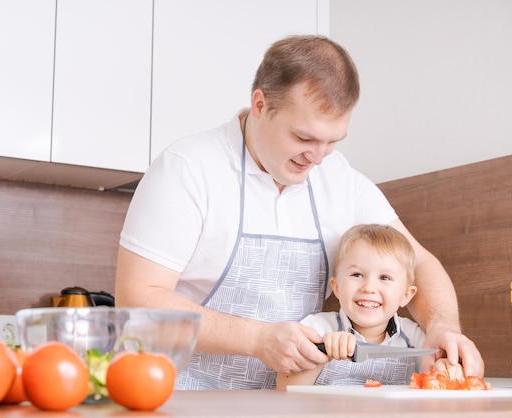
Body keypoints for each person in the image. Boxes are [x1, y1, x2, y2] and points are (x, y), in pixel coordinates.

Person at [115, 34, 483, 390]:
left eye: (333, 142)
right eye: (304, 138)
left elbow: (419, 264)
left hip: (282, 403)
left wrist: (442, 327)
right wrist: (257, 339)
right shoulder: (187, 169)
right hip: (174, 396)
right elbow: (137, 299)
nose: (318, 158)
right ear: (260, 105)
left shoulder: (340, 180)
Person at [276, 224, 464, 390]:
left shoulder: (417, 339)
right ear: (337, 287)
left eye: (385, 278)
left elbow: (441, 382)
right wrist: (320, 353)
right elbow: (285, 388)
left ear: (406, 296)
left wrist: (446, 369)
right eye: (357, 275)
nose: (369, 288)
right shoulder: (315, 330)